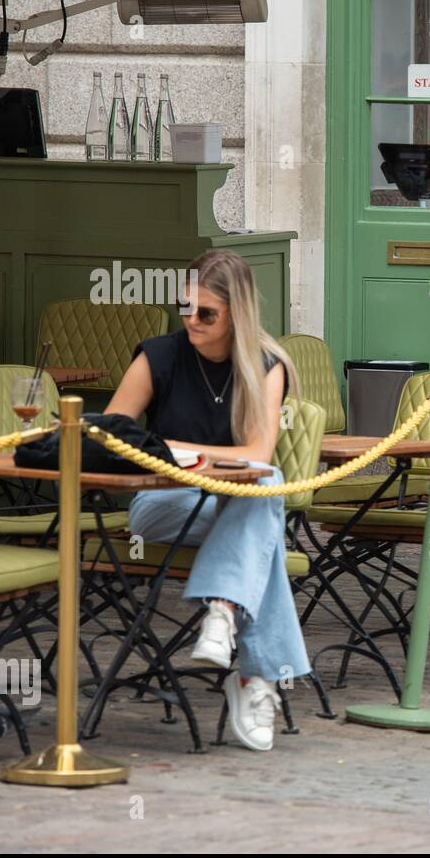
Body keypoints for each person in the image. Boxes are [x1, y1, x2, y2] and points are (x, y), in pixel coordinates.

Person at [105, 249, 304, 752]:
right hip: (160, 503)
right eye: (185, 308)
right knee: (264, 506)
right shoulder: (159, 356)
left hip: (230, 505)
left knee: (261, 486)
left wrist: (172, 448)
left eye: (206, 313)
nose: (191, 320)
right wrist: (189, 458)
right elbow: (109, 437)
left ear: (237, 312)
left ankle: (223, 617)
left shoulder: (265, 364)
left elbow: (256, 452)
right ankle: (250, 671)